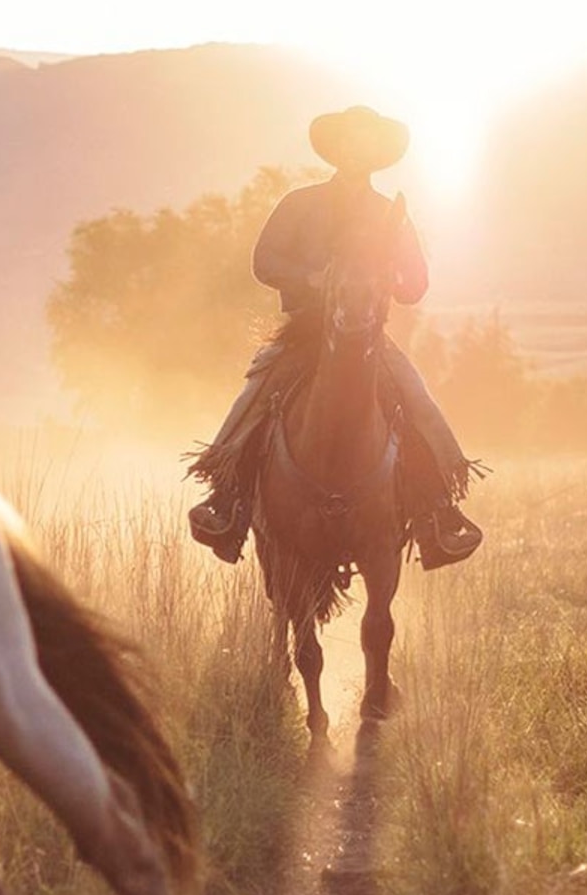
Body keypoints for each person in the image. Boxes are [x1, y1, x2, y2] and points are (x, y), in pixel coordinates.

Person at [186, 106, 484, 569]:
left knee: (419, 401)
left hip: (368, 335)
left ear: (376, 155)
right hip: (305, 332)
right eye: (351, 141)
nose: (357, 150)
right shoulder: (299, 204)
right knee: (256, 392)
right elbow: (264, 261)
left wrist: (394, 280)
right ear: (338, 149)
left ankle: (439, 517)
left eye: (367, 143)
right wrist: (312, 277)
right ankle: (227, 501)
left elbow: (415, 284)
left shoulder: (390, 214)